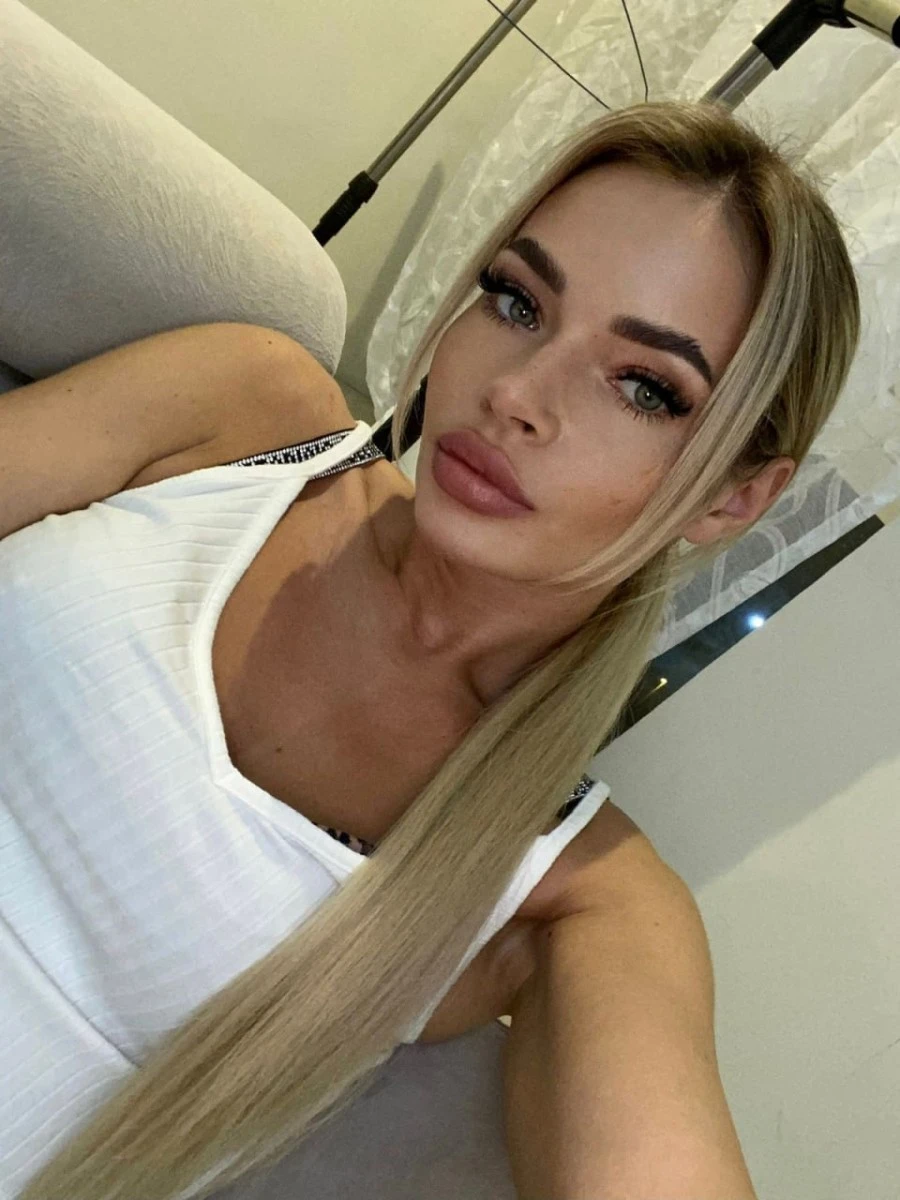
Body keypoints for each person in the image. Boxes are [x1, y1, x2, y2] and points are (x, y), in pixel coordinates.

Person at [4, 99, 859, 1200]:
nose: (515, 394)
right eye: (517, 301)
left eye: (646, 387)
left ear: (734, 499)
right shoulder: (245, 415)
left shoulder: (570, 893)